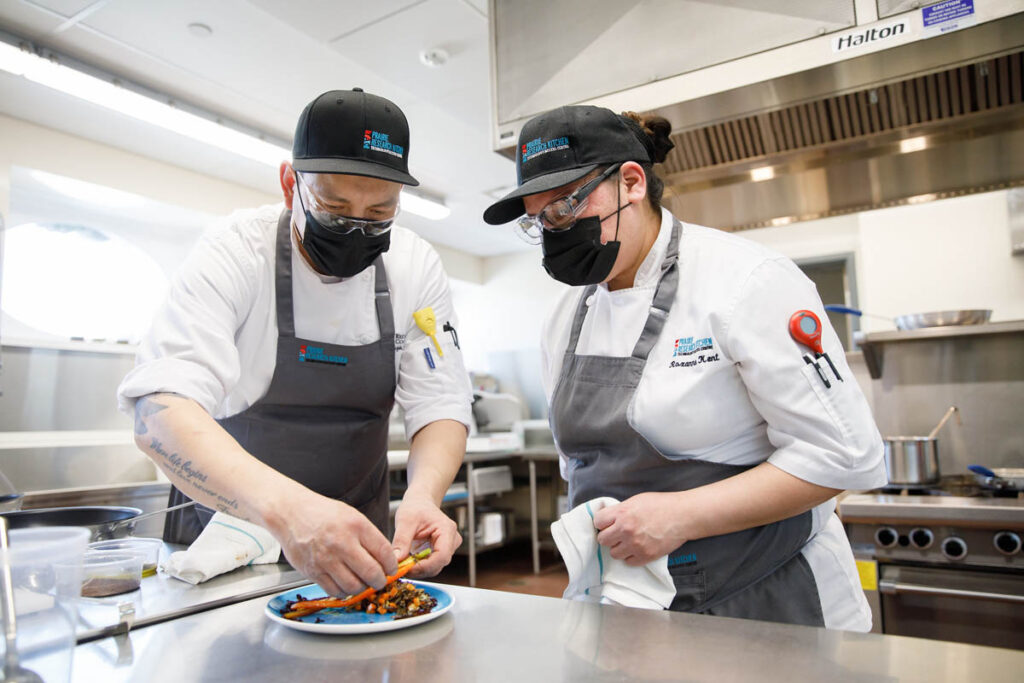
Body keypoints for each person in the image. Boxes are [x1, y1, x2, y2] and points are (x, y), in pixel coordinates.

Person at [482, 105, 886, 630]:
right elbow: (581, 470)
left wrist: (679, 516)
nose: (553, 231)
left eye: (563, 207)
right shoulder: (564, 317)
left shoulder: (745, 281)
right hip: (636, 609)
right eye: (539, 221)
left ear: (630, 182)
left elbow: (848, 455)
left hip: (769, 599)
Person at [118, 88, 472, 597]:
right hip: (227, 545)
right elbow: (160, 412)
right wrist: (289, 511)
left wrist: (423, 496)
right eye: (333, 208)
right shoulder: (237, 252)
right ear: (290, 184)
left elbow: (440, 400)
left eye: (378, 215)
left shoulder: (414, 267)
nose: (355, 229)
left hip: (361, 547)